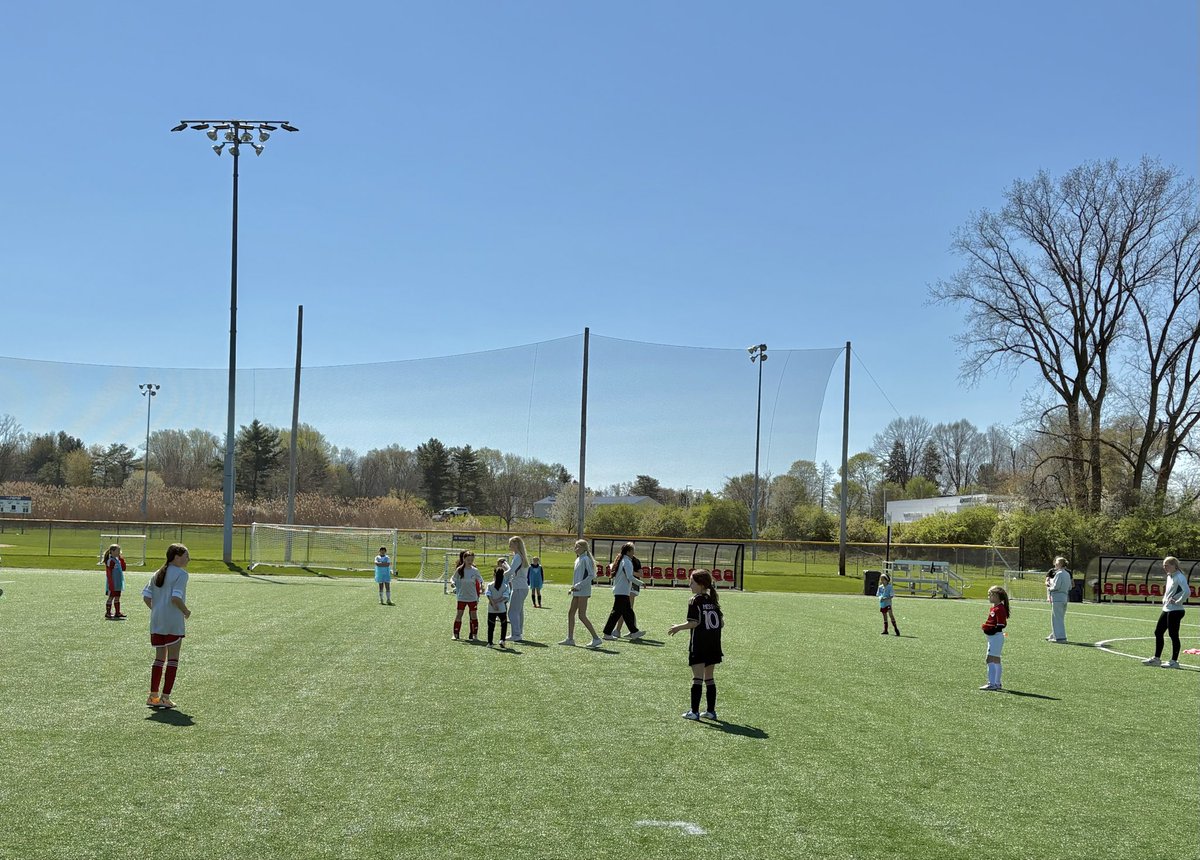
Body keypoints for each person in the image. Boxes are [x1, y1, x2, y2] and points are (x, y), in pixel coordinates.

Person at [668, 569, 724, 720]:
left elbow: (694, 622)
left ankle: (694, 712)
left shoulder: (695, 600)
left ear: (700, 584)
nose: (689, 585)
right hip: (714, 644)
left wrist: (678, 627)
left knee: (697, 678)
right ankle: (711, 712)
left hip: (700, 644)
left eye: (692, 582)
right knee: (709, 678)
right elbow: (722, 623)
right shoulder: (712, 600)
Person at [142, 544, 192, 710]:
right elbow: (175, 598)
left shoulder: (157, 573)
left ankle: (153, 696)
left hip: (157, 621)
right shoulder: (181, 574)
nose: (188, 559)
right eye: (186, 556)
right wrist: (186, 611)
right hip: (173, 622)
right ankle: (165, 697)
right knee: (173, 659)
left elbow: (146, 597)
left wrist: (157, 610)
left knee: (159, 658)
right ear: (176, 557)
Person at [1144, 556, 1189, 669]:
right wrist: (1164, 600)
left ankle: (1174, 661)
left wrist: (1178, 601)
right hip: (1167, 609)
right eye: (1164, 565)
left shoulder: (1179, 577)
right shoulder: (1170, 576)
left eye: (1167, 565)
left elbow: (1187, 591)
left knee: (1173, 635)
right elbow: (1169, 592)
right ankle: (1156, 659)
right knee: (1158, 632)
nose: (1165, 567)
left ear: (1174, 565)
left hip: (1176, 611)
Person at [560, 539, 602, 648]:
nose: (575, 549)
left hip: (583, 591)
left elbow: (591, 575)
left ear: (584, 548)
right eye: (575, 546)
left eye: (578, 547)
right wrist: (573, 587)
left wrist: (579, 585)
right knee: (571, 613)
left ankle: (596, 638)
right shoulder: (578, 559)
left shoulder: (586, 559)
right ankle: (570, 639)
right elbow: (577, 577)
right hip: (577, 591)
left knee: (582, 615)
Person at [602, 541, 646, 641]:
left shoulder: (623, 560)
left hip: (621, 590)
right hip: (622, 591)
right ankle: (607, 633)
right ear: (629, 551)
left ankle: (634, 632)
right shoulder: (626, 561)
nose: (634, 552)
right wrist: (641, 583)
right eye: (633, 550)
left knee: (628, 612)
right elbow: (630, 576)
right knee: (616, 613)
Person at [980, 585, 1010, 692]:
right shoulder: (995, 607)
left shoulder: (999, 609)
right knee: (996, 659)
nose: (988, 597)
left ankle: (991, 683)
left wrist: (990, 630)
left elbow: (1001, 624)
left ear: (996, 596)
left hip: (996, 637)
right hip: (994, 637)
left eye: (990, 595)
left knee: (989, 659)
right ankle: (997, 683)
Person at [450, 551, 484, 641]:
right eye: (468, 559)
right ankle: (455, 634)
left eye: (472, 559)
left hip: (472, 597)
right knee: (459, 615)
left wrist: (481, 587)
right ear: (464, 559)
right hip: (461, 597)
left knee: (474, 616)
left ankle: (474, 635)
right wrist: (452, 583)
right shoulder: (459, 570)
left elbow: (480, 580)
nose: (470, 561)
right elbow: (453, 578)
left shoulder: (475, 570)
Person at [503, 536, 531, 643]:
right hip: (521, 587)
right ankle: (518, 633)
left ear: (516, 544)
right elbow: (513, 571)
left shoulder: (518, 557)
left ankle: (516, 634)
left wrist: (501, 574)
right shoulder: (519, 556)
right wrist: (506, 565)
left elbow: (511, 572)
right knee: (518, 612)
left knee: (512, 612)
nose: (509, 546)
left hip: (519, 587)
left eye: (511, 544)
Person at [484, 566, 512, 648]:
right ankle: (502, 640)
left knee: (491, 626)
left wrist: (493, 603)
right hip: (502, 608)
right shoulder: (505, 586)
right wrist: (497, 602)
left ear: (494, 575)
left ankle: (490, 642)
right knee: (503, 625)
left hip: (491, 609)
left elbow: (488, 595)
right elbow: (505, 596)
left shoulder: (490, 585)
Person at [1045, 556, 1071, 642]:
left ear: (1059, 564)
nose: (1055, 565)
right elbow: (1070, 587)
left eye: (1056, 563)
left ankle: (1060, 637)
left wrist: (1049, 587)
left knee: (1056, 618)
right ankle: (1054, 634)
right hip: (1064, 598)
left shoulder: (1059, 573)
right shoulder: (1067, 574)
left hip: (1058, 598)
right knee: (1059, 618)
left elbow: (1056, 586)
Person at [103, 543, 127, 620]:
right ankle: (108, 613)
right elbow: (109, 573)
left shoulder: (118, 560)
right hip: (112, 583)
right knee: (111, 597)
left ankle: (117, 612)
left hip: (118, 583)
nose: (119, 552)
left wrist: (122, 560)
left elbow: (123, 568)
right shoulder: (110, 561)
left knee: (117, 597)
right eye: (117, 551)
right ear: (112, 552)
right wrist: (110, 584)